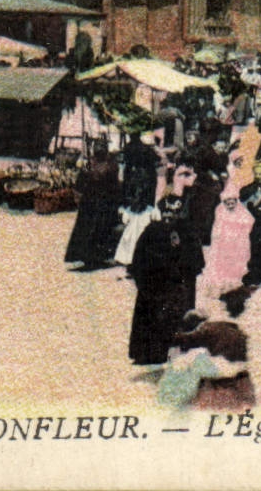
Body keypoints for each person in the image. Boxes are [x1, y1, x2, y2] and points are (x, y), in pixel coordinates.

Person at [128, 194, 206, 365]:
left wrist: (180, 249)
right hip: (154, 285)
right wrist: (143, 280)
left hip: (177, 287)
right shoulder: (151, 230)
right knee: (152, 317)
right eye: (166, 214)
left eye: (174, 214)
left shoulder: (187, 231)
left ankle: (178, 350)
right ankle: (150, 354)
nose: (169, 217)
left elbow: (195, 262)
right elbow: (138, 258)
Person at [64, 142, 122, 268]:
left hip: (90, 203)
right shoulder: (110, 166)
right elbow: (115, 187)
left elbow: (79, 184)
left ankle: (87, 257)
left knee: (88, 229)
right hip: (101, 203)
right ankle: (96, 256)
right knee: (98, 230)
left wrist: (79, 198)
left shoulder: (89, 165)